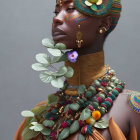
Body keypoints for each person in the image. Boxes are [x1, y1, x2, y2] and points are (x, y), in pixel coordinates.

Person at [14, 0, 140, 139]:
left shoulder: (131, 107)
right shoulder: (38, 117)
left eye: (70, 9)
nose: (57, 18)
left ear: (104, 23)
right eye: (56, 12)